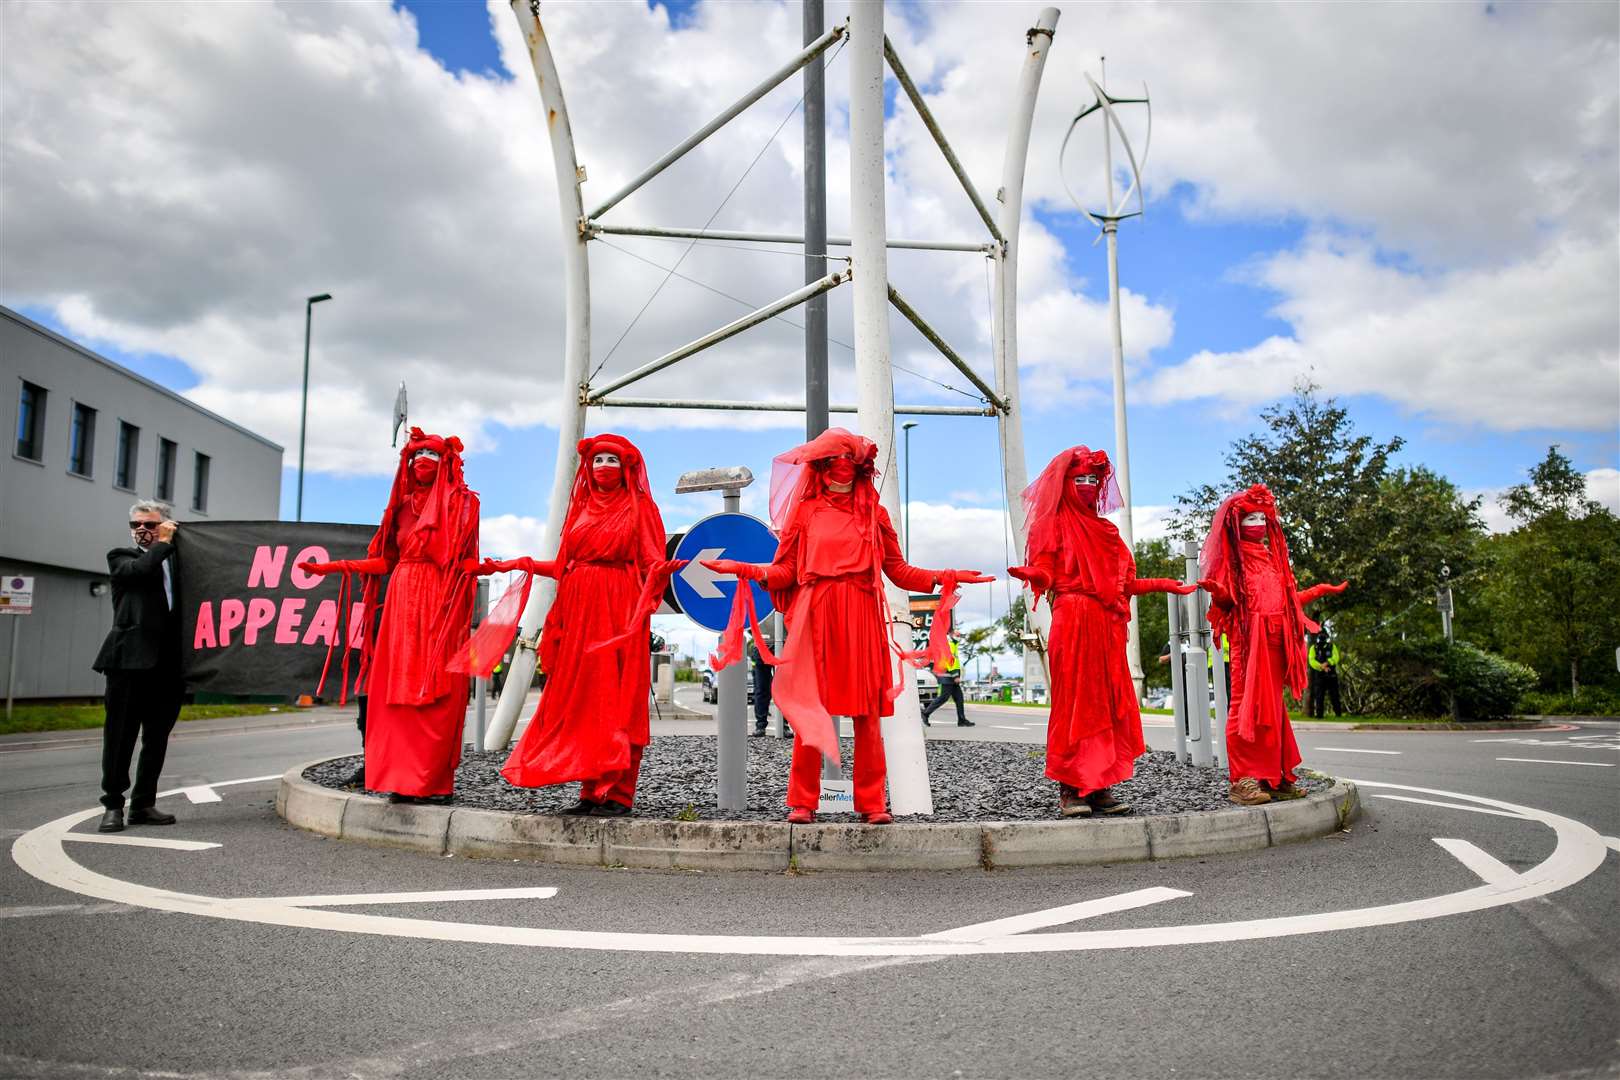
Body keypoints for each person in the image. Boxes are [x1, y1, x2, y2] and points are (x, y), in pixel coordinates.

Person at [704, 428, 990, 824]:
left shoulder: (875, 514)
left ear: (861, 468)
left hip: (860, 613)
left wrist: (947, 575)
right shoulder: (804, 513)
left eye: (850, 462)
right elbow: (786, 570)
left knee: (867, 714)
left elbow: (899, 571)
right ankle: (802, 802)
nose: (842, 469)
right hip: (815, 614)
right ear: (820, 467)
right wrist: (745, 569)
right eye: (834, 461)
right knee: (809, 707)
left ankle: (872, 803)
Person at [476, 434, 684, 817]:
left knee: (617, 698)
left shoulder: (641, 508)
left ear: (627, 468)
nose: (604, 466)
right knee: (583, 700)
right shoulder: (581, 507)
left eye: (612, 460)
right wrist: (516, 564)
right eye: (598, 459)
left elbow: (651, 562)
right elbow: (562, 566)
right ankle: (590, 789)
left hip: (618, 611)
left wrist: (664, 572)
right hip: (578, 612)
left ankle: (619, 793)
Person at [1008, 446, 1197, 818]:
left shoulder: (1108, 531)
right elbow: (1047, 572)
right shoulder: (1053, 525)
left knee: (1105, 706)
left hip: (1107, 628)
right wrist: (1034, 574)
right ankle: (1071, 788)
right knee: (1076, 705)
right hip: (1073, 620)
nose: (1088, 486)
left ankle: (1097, 785)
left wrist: (1165, 584)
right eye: (1079, 479)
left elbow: (1125, 585)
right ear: (1064, 483)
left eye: (1093, 480)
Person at [300, 429, 480, 803]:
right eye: (415, 456)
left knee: (434, 690)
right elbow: (387, 561)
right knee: (396, 692)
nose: (421, 462)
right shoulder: (399, 508)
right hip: (402, 601)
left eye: (430, 454)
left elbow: (463, 561)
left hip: (438, 601)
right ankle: (403, 779)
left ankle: (433, 783)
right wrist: (335, 567)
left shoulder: (462, 503)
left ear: (445, 461)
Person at [1197, 484, 1348, 805]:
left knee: (1272, 709)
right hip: (1249, 646)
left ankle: (1274, 776)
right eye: (1249, 519)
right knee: (1244, 706)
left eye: (1261, 518)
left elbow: (1287, 602)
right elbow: (1227, 601)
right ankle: (1243, 780)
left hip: (1277, 644)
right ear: (1236, 524)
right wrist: (1219, 593)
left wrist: (1319, 590)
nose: (1258, 525)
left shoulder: (1270, 560)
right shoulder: (1233, 564)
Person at [92, 501, 184, 833]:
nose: (141, 530)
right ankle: (113, 804)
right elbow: (141, 571)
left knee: (156, 738)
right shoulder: (122, 557)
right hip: (127, 664)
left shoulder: (179, 563)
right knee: (119, 737)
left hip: (168, 667)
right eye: (136, 525)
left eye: (150, 524)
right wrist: (162, 543)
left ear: (167, 525)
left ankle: (144, 804)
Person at [920, 628, 971, 727]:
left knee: (959, 698)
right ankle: (925, 713)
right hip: (948, 676)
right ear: (950, 633)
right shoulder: (948, 643)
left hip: (950, 676)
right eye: (956, 631)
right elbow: (949, 660)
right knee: (943, 697)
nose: (958, 633)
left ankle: (962, 720)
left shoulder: (952, 642)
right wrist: (955, 675)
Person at [1308, 630, 1344, 718]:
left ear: (1326, 636)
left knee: (1335, 695)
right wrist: (1322, 666)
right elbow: (1311, 660)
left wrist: (1328, 662)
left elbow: (1336, 657)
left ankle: (1338, 714)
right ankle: (1319, 715)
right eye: (1320, 634)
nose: (1322, 636)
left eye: (1323, 634)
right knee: (1319, 696)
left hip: (1331, 674)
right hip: (1319, 675)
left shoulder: (1331, 646)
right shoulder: (1314, 647)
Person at [748, 633, 775, 736]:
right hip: (760, 646)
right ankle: (760, 726)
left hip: (783, 644)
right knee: (761, 689)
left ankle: (784, 726)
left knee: (784, 689)